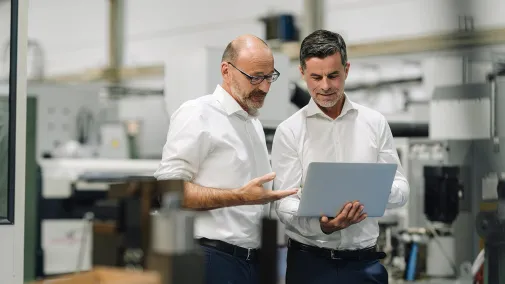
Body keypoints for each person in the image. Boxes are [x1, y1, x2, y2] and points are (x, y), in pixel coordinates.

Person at [153, 34, 298, 284]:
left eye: (269, 77)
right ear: (226, 70)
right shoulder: (198, 113)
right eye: (255, 77)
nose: (264, 87)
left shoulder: (251, 123)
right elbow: (168, 191)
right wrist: (239, 196)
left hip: (254, 261)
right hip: (213, 259)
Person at [271, 29, 410, 284]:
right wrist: (323, 226)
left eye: (333, 75)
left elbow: (401, 188)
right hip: (310, 266)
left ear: (347, 69)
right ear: (302, 73)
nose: (325, 86)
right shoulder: (289, 131)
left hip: (365, 266)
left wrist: (371, 193)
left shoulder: (375, 123)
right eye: (316, 77)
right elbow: (283, 204)